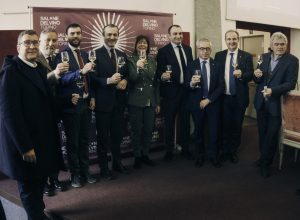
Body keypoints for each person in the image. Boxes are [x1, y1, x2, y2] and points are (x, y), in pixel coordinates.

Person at [0, 30, 63, 220]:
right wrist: (25, 147)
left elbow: (47, 101)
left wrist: (68, 102)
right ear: (18, 47)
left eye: (35, 42)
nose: (32, 46)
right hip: (25, 145)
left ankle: (39, 215)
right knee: (28, 189)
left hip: (42, 141)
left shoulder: (38, 68)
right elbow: (9, 115)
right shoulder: (11, 72)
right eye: (27, 43)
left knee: (38, 185)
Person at [253, 32, 299, 178]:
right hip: (261, 103)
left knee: (272, 135)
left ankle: (266, 163)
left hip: (277, 104)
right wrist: (256, 75)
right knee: (262, 133)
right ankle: (262, 157)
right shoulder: (264, 57)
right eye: (277, 44)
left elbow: (290, 83)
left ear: (286, 45)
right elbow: (257, 79)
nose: (280, 47)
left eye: (282, 44)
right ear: (271, 46)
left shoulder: (292, 60)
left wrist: (273, 91)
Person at [57, 23, 96, 187]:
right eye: (72, 33)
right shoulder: (62, 56)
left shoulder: (86, 54)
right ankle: (75, 175)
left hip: (86, 104)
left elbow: (90, 78)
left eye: (78, 33)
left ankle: (85, 171)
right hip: (72, 106)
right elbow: (62, 79)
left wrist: (91, 96)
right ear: (67, 36)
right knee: (73, 143)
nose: (76, 36)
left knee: (85, 140)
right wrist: (81, 71)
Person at [91, 24, 129, 179]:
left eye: (115, 34)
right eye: (109, 34)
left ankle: (117, 163)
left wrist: (125, 81)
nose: (112, 37)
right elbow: (91, 79)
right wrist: (108, 80)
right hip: (103, 104)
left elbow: (126, 74)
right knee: (102, 139)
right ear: (103, 35)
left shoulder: (122, 54)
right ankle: (103, 167)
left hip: (119, 103)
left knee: (117, 136)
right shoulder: (94, 54)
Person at [37, 28, 69, 196]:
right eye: (47, 40)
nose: (51, 43)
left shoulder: (58, 57)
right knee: (42, 147)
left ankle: (54, 178)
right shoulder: (33, 57)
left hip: (55, 108)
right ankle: (44, 182)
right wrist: (55, 74)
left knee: (55, 145)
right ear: (40, 41)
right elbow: (39, 81)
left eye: (54, 40)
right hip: (40, 110)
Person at [214, 29, 253, 164]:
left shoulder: (246, 56)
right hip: (224, 97)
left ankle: (233, 151)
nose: (231, 41)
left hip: (239, 98)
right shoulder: (219, 55)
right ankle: (225, 151)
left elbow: (250, 75)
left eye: (234, 39)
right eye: (229, 39)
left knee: (237, 126)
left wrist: (242, 74)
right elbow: (216, 75)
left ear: (238, 39)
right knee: (224, 126)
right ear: (225, 40)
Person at [156, 24, 193, 161]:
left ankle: (185, 149)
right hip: (170, 93)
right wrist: (162, 75)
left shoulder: (188, 50)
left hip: (186, 92)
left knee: (185, 122)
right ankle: (169, 151)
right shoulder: (163, 51)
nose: (178, 36)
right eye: (175, 34)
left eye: (180, 33)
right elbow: (159, 71)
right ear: (169, 36)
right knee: (169, 123)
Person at [185, 38, 224, 167]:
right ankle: (199, 156)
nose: (205, 51)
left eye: (207, 48)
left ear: (211, 49)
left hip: (212, 104)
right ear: (198, 49)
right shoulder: (191, 65)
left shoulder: (217, 65)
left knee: (214, 132)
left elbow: (221, 86)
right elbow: (186, 85)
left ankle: (214, 156)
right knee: (198, 132)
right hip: (197, 104)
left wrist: (209, 99)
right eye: (202, 48)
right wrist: (191, 83)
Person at [127, 35, 160, 169]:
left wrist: (157, 102)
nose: (142, 45)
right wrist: (138, 68)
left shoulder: (152, 61)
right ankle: (137, 157)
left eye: (145, 43)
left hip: (150, 101)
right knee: (136, 131)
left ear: (148, 46)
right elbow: (132, 80)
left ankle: (145, 154)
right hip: (135, 101)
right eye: (139, 43)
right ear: (135, 45)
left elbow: (156, 83)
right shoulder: (131, 60)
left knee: (148, 130)